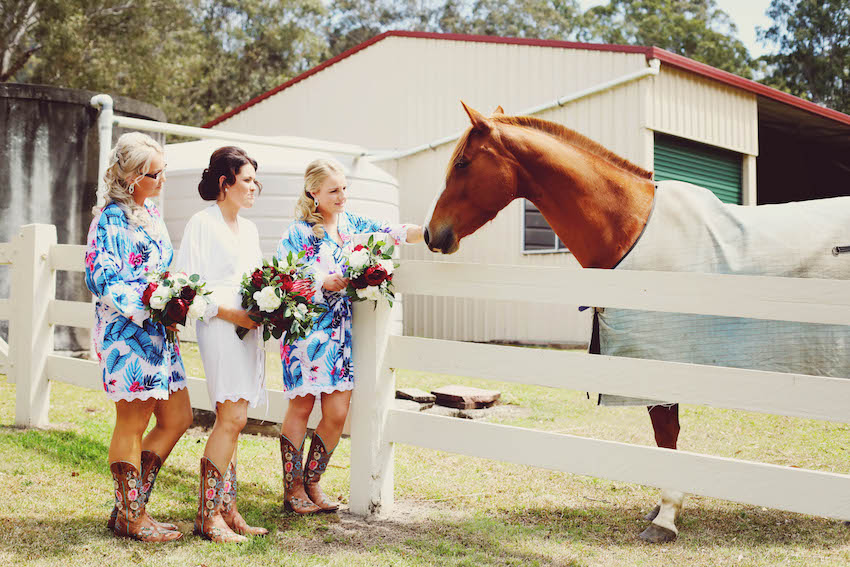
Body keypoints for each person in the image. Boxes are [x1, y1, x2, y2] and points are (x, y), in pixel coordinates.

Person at [276, 158, 423, 513]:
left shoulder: (353, 224)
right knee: (302, 406)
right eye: (333, 190)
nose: (342, 196)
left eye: (344, 188)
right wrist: (320, 281)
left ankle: (313, 481)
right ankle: (293, 488)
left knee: (338, 411)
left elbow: (394, 232)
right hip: (306, 329)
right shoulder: (297, 232)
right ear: (314, 192)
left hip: (340, 332)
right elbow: (283, 277)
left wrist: (431, 233)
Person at [84, 132, 191, 542]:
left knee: (178, 417)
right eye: (154, 173)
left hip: (161, 337)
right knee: (132, 422)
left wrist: (173, 296)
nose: (162, 180)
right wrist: (149, 301)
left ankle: (129, 509)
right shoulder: (108, 220)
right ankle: (132, 515)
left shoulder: (152, 215)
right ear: (131, 178)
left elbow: (160, 269)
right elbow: (101, 276)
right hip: (127, 336)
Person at [175, 146, 269, 542]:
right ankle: (208, 515)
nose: (254, 187)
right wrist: (232, 315)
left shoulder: (249, 229)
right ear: (224, 183)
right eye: (247, 180)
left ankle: (229, 509)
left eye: (254, 181)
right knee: (230, 417)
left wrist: (270, 305)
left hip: (248, 330)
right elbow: (187, 286)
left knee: (238, 419)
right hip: (218, 327)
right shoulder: (202, 223)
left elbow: (260, 280)